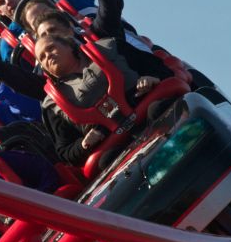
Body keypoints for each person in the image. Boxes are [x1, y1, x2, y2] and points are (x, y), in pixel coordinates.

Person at [35, 33, 160, 165]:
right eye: (42, 57)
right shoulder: (52, 105)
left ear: (69, 45)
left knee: (158, 108)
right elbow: (65, 151)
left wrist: (153, 79)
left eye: (51, 48)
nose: (48, 55)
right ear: (45, 69)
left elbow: (159, 68)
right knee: (107, 160)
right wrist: (83, 145)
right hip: (117, 145)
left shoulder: (109, 48)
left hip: (149, 110)